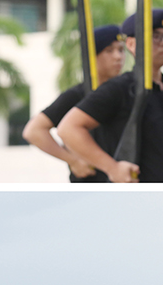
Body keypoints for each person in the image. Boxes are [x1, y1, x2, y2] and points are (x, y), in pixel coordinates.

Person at [62, 8, 163, 183]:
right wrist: (112, 168)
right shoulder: (120, 89)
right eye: (155, 36)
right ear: (132, 45)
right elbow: (68, 128)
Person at [22, 24, 125, 182]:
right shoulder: (77, 94)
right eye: (109, 51)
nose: (118, 57)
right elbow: (34, 131)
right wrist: (73, 160)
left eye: (121, 50)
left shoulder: (126, 91)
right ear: (92, 56)